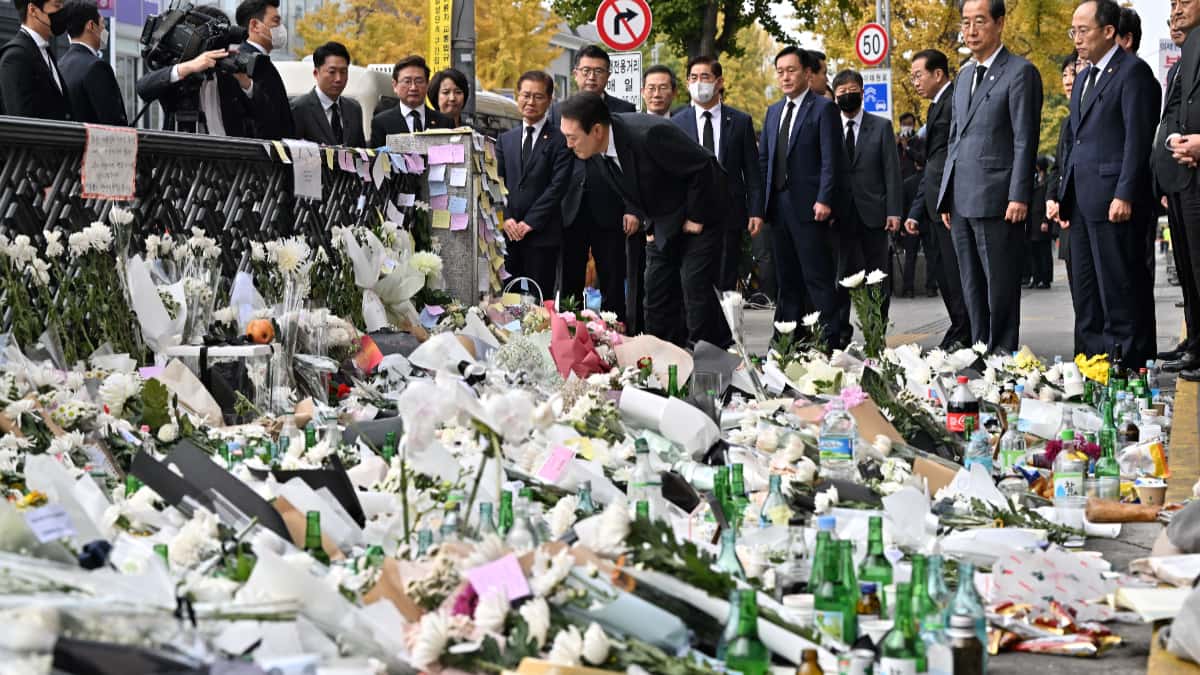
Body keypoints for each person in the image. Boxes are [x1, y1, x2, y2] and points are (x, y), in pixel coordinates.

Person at [558, 92, 731, 348]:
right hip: (663, 219)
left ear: (595, 130)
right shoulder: (599, 149)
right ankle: (662, 360)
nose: (568, 144)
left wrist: (695, 217)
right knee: (655, 294)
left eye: (572, 137)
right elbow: (633, 185)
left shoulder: (648, 134)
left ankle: (707, 362)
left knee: (695, 291)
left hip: (702, 215)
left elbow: (704, 166)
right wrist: (649, 224)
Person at [1053, 0, 1158, 368]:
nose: (1076, 39)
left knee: (1119, 286)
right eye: (1073, 31)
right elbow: (1076, 140)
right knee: (1087, 289)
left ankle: (1127, 363)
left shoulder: (1133, 73)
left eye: (1083, 30)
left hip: (1114, 199)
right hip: (1081, 201)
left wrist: (1125, 192)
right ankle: (1094, 360)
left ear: (1109, 31)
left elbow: (1137, 140)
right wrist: (1062, 196)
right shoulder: (1084, 77)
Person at [937, 0, 1043, 355]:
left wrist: (1019, 194)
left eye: (979, 21)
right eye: (966, 22)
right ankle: (980, 348)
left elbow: (1024, 138)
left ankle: (1001, 352)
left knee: (999, 282)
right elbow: (955, 137)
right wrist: (946, 193)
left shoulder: (1019, 72)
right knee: (971, 283)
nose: (970, 30)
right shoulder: (964, 75)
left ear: (999, 23)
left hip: (998, 196)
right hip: (962, 196)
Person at [547, 46, 637, 326]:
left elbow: (632, 166)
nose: (591, 77)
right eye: (586, 71)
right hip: (570, 208)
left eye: (598, 71)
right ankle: (570, 334)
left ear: (608, 75)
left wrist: (632, 207)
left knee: (612, 278)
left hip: (611, 208)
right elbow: (555, 163)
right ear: (575, 74)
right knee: (569, 279)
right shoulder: (558, 112)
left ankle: (615, 335)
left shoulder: (624, 111)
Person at [759, 46, 843, 344]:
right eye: (780, 72)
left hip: (810, 207)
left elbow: (832, 160)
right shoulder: (773, 112)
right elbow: (764, 161)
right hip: (778, 207)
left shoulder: (823, 108)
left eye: (791, 70)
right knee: (786, 280)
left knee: (817, 278)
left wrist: (825, 198)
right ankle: (785, 342)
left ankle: (832, 339)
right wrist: (759, 207)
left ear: (807, 73)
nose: (785, 77)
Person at [672, 55, 764, 293]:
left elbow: (752, 172)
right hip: (691, 217)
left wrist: (755, 210)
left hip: (729, 214)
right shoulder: (677, 122)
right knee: (694, 281)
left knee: (725, 279)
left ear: (719, 81)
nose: (699, 83)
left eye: (705, 77)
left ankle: (724, 328)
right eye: (693, 77)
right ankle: (699, 330)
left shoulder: (740, 121)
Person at [830, 69, 904, 331]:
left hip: (874, 213)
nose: (848, 97)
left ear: (863, 94)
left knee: (877, 277)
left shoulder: (881, 126)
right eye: (842, 93)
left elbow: (891, 172)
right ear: (834, 96)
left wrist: (894, 211)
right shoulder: (828, 127)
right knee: (839, 277)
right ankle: (839, 333)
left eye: (853, 92)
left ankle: (876, 331)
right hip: (837, 215)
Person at [906, 48, 971, 348]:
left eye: (919, 75)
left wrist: (946, 200)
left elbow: (951, 157)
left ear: (938, 74)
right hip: (933, 203)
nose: (915, 82)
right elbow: (932, 164)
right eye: (912, 77)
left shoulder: (954, 102)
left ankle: (966, 330)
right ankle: (958, 327)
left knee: (956, 274)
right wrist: (916, 210)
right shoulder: (935, 107)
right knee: (943, 273)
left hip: (949, 204)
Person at [497, 71, 573, 298]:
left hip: (542, 235)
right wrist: (507, 218)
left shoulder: (561, 139)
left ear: (550, 101)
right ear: (517, 96)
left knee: (540, 300)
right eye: (526, 95)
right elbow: (498, 182)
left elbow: (557, 187)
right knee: (507, 301)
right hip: (508, 235)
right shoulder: (506, 139)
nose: (531, 102)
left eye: (538, 96)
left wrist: (529, 222)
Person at [1155, 18, 1199, 371]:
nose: (1175, 17)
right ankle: (1194, 339)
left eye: (1183, 5)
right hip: (1179, 173)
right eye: (1171, 9)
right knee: (1187, 268)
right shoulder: (1180, 65)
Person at [135, 6, 251, 135]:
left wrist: (246, 83)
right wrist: (190, 66)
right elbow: (143, 88)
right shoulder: (180, 72)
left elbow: (258, 116)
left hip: (232, 150)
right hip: (186, 151)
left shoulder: (228, 72)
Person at [0, 0, 72, 120]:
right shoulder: (15, 57)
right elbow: (21, 121)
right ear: (33, 10)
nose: (62, 12)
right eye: (57, 6)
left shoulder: (44, 51)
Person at [57, 0, 125, 125]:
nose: (104, 28)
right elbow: (114, 123)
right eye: (102, 23)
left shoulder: (59, 65)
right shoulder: (97, 67)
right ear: (91, 26)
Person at [234, 0, 294, 140]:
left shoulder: (262, 60)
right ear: (255, 25)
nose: (281, 28)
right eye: (276, 21)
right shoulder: (243, 63)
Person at [291, 41, 365, 147]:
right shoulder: (299, 108)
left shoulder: (354, 108)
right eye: (332, 72)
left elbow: (361, 153)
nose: (338, 79)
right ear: (316, 73)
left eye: (343, 72)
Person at [370, 55, 453, 146]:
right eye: (407, 81)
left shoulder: (445, 122)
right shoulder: (381, 122)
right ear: (395, 85)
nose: (413, 87)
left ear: (427, 85)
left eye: (419, 81)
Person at [1026, 156, 1054, 289]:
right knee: (1034, 251)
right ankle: (1036, 277)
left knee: (1044, 252)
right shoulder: (1035, 180)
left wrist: (1046, 220)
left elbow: (1048, 201)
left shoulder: (1048, 181)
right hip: (1032, 221)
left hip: (1042, 220)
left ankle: (1046, 278)